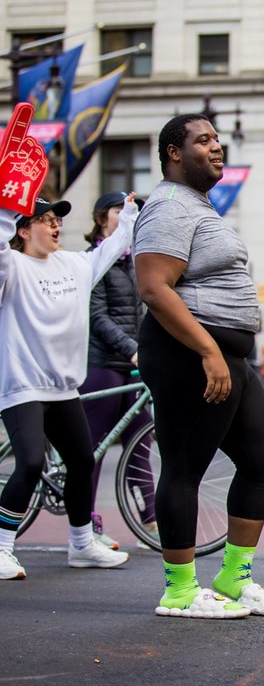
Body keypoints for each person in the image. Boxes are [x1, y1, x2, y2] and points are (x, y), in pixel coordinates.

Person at [135, 114, 264, 619]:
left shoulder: (197, 207)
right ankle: (179, 591)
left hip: (227, 354)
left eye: (218, 140)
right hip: (189, 354)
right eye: (203, 141)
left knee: (262, 456)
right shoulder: (167, 207)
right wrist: (207, 351)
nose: (217, 148)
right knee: (184, 467)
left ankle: (232, 578)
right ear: (173, 153)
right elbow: (154, 287)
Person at [1, 195, 136, 580]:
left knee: (81, 461)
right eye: (44, 220)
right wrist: (6, 211)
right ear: (23, 230)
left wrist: (127, 217)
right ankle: (1, 547)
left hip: (63, 389)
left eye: (56, 219)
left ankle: (81, 545)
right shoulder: (11, 267)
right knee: (29, 462)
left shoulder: (75, 264)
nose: (55, 225)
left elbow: (111, 249)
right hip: (23, 386)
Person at [81, 192, 156, 550]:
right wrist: (132, 351)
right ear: (101, 219)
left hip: (132, 365)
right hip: (102, 365)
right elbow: (97, 317)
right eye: (118, 210)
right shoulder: (92, 262)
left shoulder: (133, 261)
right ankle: (86, 524)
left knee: (140, 442)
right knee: (93, 449)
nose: (126, 216)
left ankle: (151, 520)